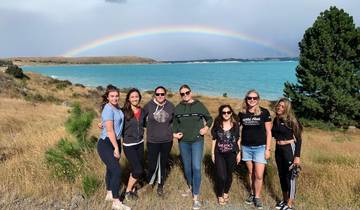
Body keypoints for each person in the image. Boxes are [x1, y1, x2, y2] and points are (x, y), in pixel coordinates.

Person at [173, 84, 213, 210]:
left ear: (191, 92)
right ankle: (190, 186)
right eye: (182, 93)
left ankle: (195, 197)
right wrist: (175, 134)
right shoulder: (178, 108)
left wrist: (206, 128)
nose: (185, 95)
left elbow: (210, 119)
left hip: (197, 141)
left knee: (196, 167)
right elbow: (174, 124)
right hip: (183, 142)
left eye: (187, 92)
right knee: (187, 167)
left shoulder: (199, 105)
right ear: (180, 95)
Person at [97, 84, 130, 210]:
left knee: (110, 169)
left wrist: (102, 123)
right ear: (108, 97)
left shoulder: (116, 108)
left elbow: (110, 122)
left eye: (117, 96)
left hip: (115, 142)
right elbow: (110, 131)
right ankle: (116, 202)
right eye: (112, 96)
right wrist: (116, 148)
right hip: (106, 143)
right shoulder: (108, 108)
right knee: (117, 170)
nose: (115, 98)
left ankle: (109, 193)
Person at [238, 89, 272, 209]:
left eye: (254, 98)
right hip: (246, 147)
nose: (252, 100)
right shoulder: (242, 113)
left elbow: (269, 132)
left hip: (260, 148)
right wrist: (239, 148)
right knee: (251, 172)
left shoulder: (264, 112)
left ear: (258, 99)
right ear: (246, 99)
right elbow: (239, 131)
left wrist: (268, 149)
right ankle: (252, 194)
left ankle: (257, 197)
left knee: (258, 175)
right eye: (249, 98)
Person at [143, 86, 175, 196]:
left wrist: (174, 132)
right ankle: (150, 183)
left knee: (162, 163)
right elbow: (141, 119)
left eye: (162, 94)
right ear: (154, 95)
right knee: (152, 164)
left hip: (167, 140)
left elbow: (176, 121)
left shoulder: (170, 106)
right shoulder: (148, 106)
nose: (160, 96)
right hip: (152, 141)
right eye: (158, 94)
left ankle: (160, 186)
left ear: (165, 94)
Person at [272, 98, 303, 210]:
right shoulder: (276, 120)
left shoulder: (292, 121)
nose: (279, 107)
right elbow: (272, 134)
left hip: (289, 149)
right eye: (279, 105)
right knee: (281, 175)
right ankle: (284, 200)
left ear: (287, 108)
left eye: (282, 106)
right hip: (278, 149)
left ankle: (290, 204)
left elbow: (299, 139)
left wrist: (297, 157)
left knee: (290, 176)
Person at [210, 105, 241, 205]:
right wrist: (212, 153)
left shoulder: (236, 125)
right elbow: (214, 139)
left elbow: (238, 139)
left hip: (232, 153)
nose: (226, 114)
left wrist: (239, 153)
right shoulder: (218, 124)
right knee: (221, 176)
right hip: (219, 153)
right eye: (224, 112)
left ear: (231, 113)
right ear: (221, 113)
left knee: (229, 175)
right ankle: (220, 195)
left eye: (228, 112)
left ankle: (226, 192)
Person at [122, 88, 145, 201]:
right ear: (129, 99)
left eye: (136, 96)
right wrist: (102, 124)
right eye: (132, 97)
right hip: (129, 145)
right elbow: (113, 122)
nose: (135, 98)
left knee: (136, 168)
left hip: (140, 143)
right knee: (138, 170)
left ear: (139, 98)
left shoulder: (142, 111)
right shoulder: (123, 112)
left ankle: (134, 189)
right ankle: (128, 191)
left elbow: (146, 123)